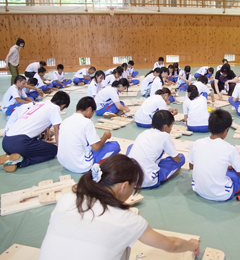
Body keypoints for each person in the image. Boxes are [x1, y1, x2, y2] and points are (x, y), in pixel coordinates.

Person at [38, 154, 200, 260]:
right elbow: (172, 245)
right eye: (133, 186)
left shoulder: (67, 198)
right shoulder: (127, 220)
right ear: (123, 186)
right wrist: (192, 244)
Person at [188, 109, 240, 201]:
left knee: (224, 170)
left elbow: (191, 166)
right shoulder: (230, 148)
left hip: (198, 189)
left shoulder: (197, 143)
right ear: (226, 130)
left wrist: (226, 167)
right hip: (222, 194)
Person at [0, 91, 70, 172]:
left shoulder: (41, 104)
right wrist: (60, 149)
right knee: (53, 150)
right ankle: (20, 162)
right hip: (20, 143)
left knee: (38, 141)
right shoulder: (55, 108)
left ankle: (10, 156)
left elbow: (43, 122)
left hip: (6, 142)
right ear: (63, 105)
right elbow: (57, 131)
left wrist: (47, 136)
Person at [57, 97, 121, 173]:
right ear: (89, 109)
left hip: (64, 162)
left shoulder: (65, 120)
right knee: (114, 146)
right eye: (92, 112)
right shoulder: (86, 122)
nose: (92, 115)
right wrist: (105, 136)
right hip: (81, 166)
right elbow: (96, 147)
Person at [127, 110, 185, 188]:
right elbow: (177, 159)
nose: (171, 129)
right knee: (181, 158)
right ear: (165, 127)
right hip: (147, 181)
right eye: (171, 126)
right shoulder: (164, 136)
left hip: (130, 179)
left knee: (131, 146)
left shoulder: (143, 133)